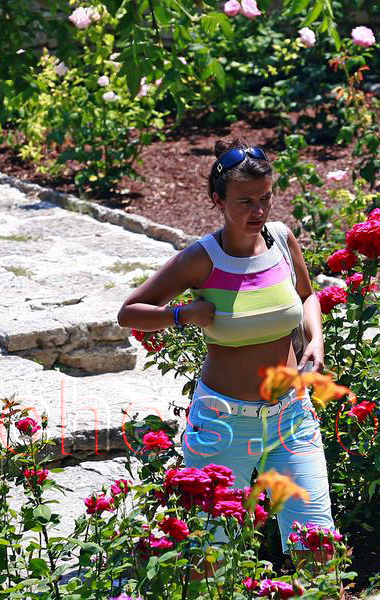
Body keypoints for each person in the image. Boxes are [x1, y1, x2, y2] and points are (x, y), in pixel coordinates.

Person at [116, 138, 336, 575]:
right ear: (217, 200)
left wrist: (315, 340)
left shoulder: (281, 239)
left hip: (292, 416)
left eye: (266, 198)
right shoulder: (202, 259)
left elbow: (307, 296)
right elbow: (129, 313)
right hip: (223, 421)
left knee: (318, 543)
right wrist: (183, 314)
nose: (259, 211)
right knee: (208, 553)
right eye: (246, 201)